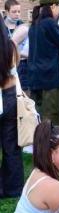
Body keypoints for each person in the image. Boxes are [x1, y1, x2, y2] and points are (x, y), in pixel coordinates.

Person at [27, 0, 59, 125]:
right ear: (54, 6)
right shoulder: (49, 24)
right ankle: (52, 146)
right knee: (52, 123)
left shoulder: (35, 24)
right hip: (50, 81)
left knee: (39, 121)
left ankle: (40, 145)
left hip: (35, 79)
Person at [0, 18, 24, 197]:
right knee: (12, 146)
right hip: (10, 95)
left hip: (7, 95)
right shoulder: (11, 47)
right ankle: (13, 188)